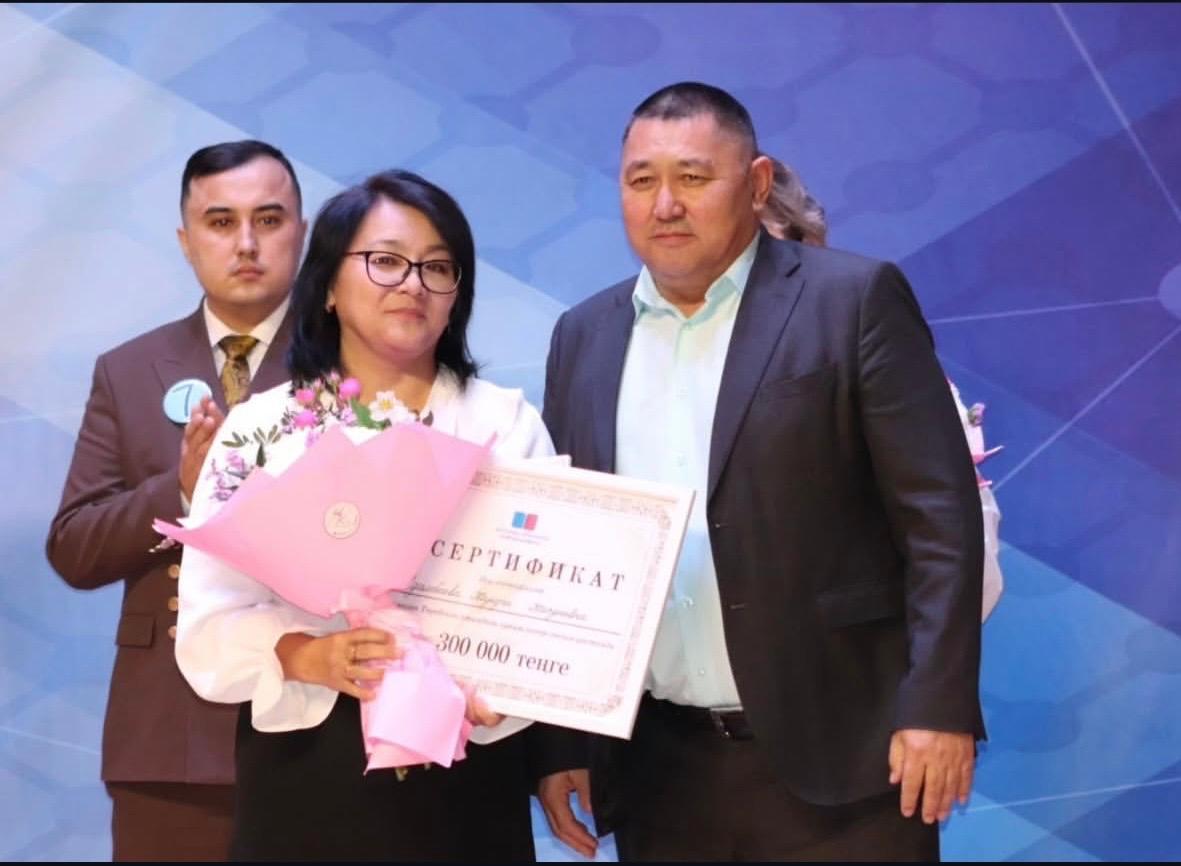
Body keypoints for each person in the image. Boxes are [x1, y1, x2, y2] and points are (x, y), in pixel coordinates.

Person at [535, 82, 985, 861]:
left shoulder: (851, 300)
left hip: (846, 761)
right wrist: (562, 740)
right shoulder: (582, 335)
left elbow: (939, 519)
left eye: (692, 177)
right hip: (659, 773)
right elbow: (568, 553)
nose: (665, 204)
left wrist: (938, 705)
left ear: (756, 183)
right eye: (641, 181)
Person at [173, 169, 554, 861]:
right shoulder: (261, 430)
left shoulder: (504, 425)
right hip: (308, 765)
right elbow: (207, 623)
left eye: (437, 267)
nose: (413, 284)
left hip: (465, 765)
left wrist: (500, 685)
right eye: (385, 261)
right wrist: (306, 653)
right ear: (326, 284)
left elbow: (540, 603)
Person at [45, 139, 306, 861]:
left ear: (303, 231)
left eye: (268, 220)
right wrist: (182, 490)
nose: (246, 243)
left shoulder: (350, 365)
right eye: (221, 222)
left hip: (316, 722)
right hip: (168, 730)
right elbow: (74, 547)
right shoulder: (129, 370)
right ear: (187, 241)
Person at [757, 155, 1004, 622]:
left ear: (804, 248)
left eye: (759, 246)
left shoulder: (883, 369)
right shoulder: (654, 371)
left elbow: (964, 564)